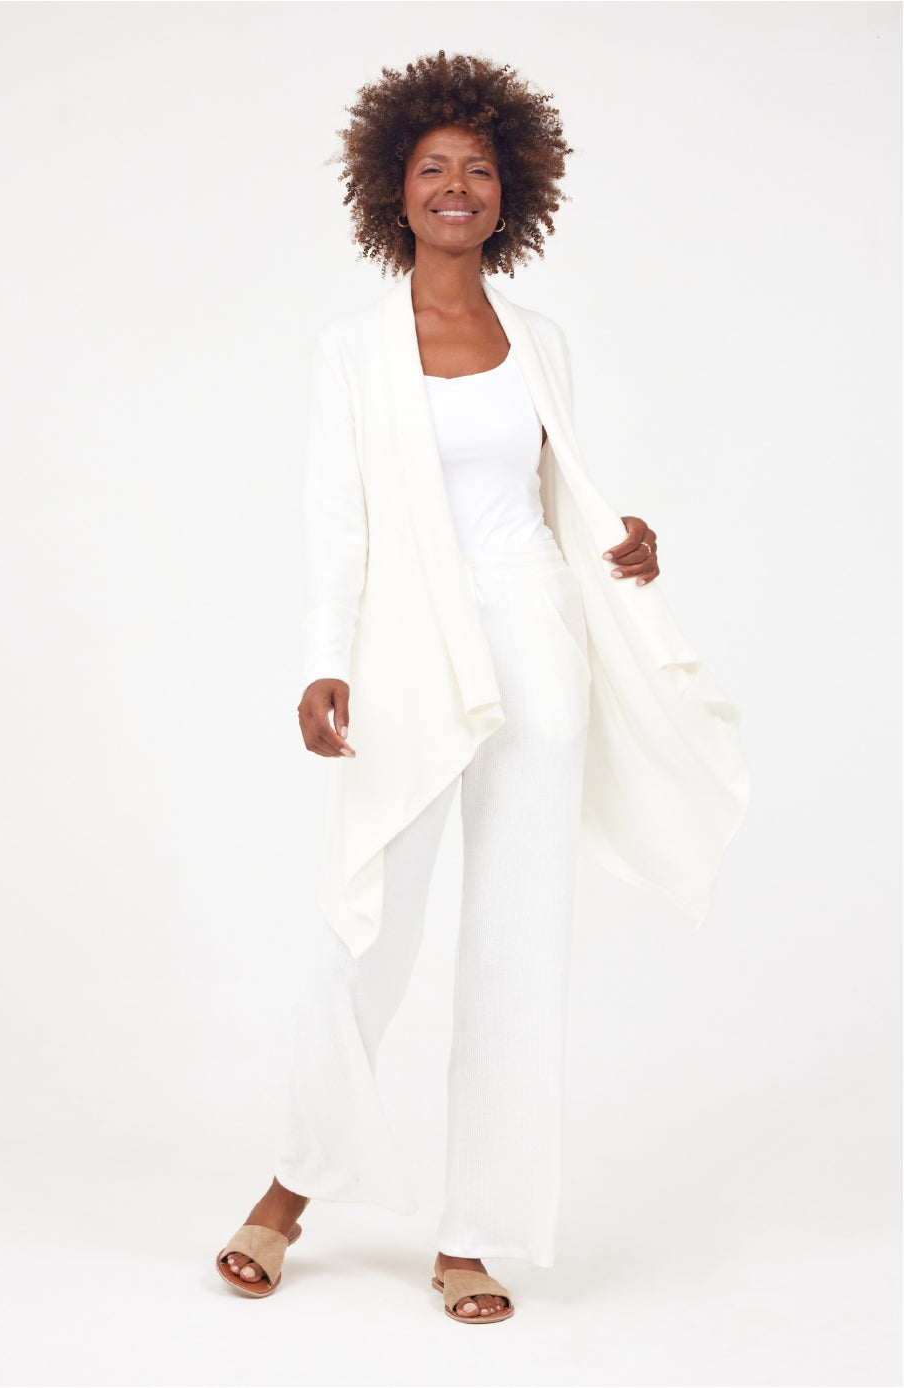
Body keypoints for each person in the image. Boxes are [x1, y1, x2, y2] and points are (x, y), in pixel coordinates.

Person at [215, 51, 748, 1324]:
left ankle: (474, 1235)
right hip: (406, 648)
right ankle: (290, 1188)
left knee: (517, 944)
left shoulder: (540, 341)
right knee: (367, 930)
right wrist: (324, 658)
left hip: (535, 645)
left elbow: (555, 499)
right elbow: (336, 522)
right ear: (392, 189)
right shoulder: (351, 352)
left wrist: (627, 538)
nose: (455, 186)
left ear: (512, 193)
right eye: (432, 168)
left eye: (478, 169)